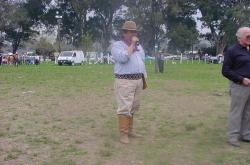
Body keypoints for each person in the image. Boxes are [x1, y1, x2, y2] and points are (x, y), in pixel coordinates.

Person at [111, 21, 147, 144]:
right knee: (125, 107)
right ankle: (123, 134)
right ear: (124, 33)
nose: (134, 34)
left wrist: (144, 78)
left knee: (133, 107)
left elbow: (142, 60)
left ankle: (130, 131)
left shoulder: (139, 46)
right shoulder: (117, 46)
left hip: (138, 80)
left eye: (135, 31)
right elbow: (123, 58)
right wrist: (132, 44)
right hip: (125, 80)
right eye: (131, 32)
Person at [222, 27, 250, 147]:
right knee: (237, 112)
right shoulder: (232, 51)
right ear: (240, 37)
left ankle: (246, 135)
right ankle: (233, 137)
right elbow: (225, 71)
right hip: (239, 86)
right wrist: (241, 79)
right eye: (248, 35)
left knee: (248, 112)